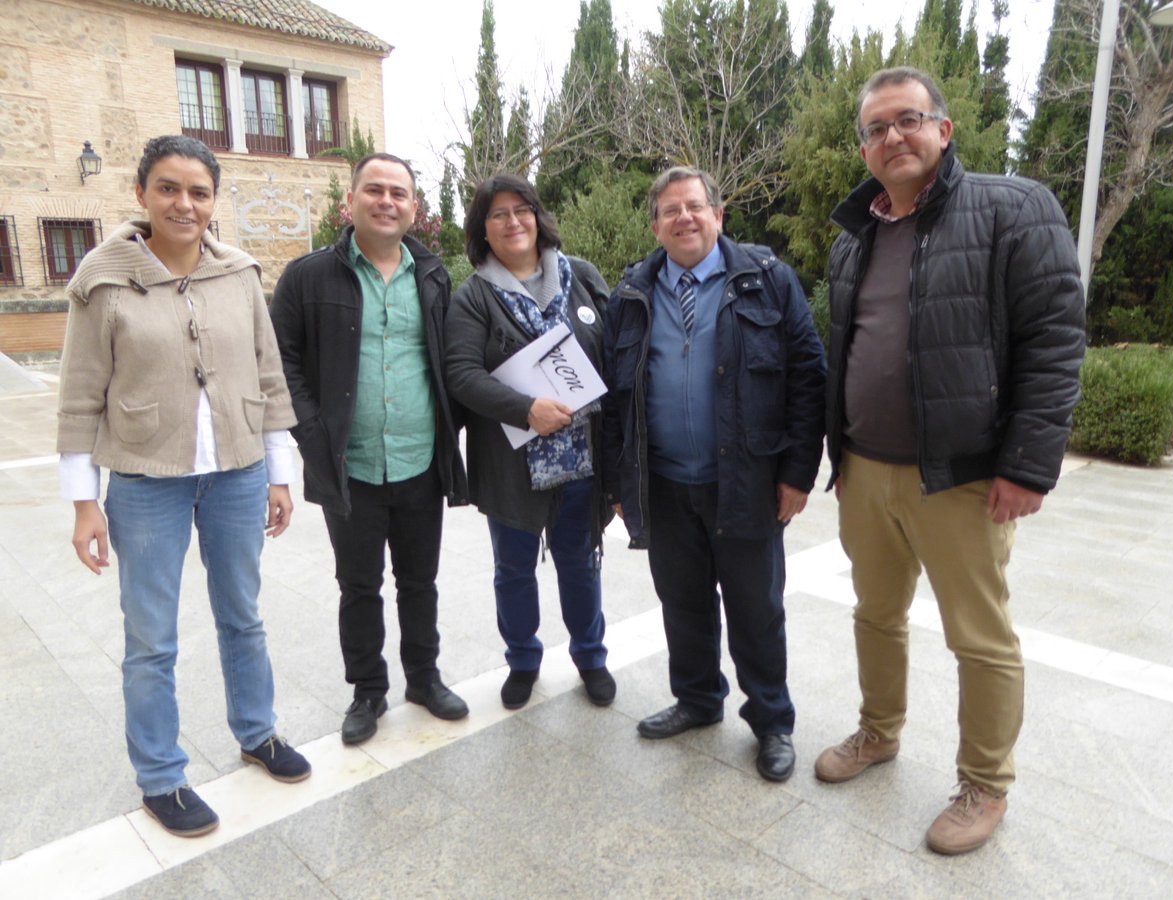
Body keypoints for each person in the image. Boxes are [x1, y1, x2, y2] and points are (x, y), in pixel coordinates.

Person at [815, 66, 1086, 854]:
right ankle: (879, 732)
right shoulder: (853, 236)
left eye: (907, 119)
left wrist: (1028, 463)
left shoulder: (1014, 208)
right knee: (875, 616)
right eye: (875, 128)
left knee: (979, 635)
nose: (891, 137)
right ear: (864, 147)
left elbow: (1055, 338)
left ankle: (985, 784)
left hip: (963, 477)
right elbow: (846, 353)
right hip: (867, 471)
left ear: (944, 128)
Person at [57, 135, 310, 838]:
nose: (184, 204)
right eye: (168, 188)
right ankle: (162, 777)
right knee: (151, 637)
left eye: (198, 191)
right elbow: (79, 395)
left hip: (235, 473)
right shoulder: (103, 280)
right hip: (145, 482)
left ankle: (257, 732)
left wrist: (278, 472)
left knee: (244, 615)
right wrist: (84, 503)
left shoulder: (238, 274)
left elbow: (268, 376)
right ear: (141, 194)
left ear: (213, 200)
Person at [603, 166, 827, 783]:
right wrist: (624, 485)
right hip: (667, 484)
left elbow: (809, 374)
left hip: (748, 482)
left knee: (757, 609)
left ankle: (772, 722)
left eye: (695, 206)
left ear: (719, 215)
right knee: (683, 603)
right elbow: (615, 401)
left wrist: (797, 473)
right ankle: (699, 700)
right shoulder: (632, 295)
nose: (684, 218)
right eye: (670, 210)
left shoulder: (766, 280)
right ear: (655, 225)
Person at [271, 153, 470, 746]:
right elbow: (281, 360)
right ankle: (367, 690)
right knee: (358, 585)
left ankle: (424, 678)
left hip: (418, 460)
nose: (387, 201)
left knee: (420, 581)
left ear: (414, 207)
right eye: (374, 190)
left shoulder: (432, 276)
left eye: (399, 193)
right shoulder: (308, 277)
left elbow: (446, 360)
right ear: (350, 200)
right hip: (349, 465)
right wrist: (312, 433)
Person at [445, 174, 615, 711]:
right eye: (498, 214)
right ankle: (523, 659)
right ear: (483, 230)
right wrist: (526, 410)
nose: (514, 221)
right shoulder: (473, 296)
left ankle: (591, 656)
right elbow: (462, 372)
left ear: (539, 217)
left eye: (522, 209)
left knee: (580, 563)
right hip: (512, 463)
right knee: (514, 570)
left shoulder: (582, 277)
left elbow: (615, 351)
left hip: (584, 461)